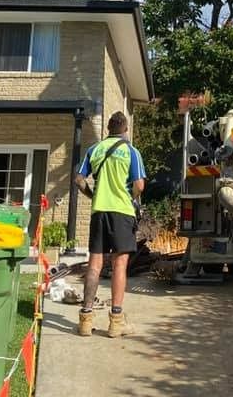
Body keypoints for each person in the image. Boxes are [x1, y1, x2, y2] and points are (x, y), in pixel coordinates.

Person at [74, 111, 146, 338]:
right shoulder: (131, 152)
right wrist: (131, 197)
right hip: (122, 213)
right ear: (125, 130)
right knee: (119, 266)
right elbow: (139, 185)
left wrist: (92, 195)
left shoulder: (94, 150)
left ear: (107, 129)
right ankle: (116, 323)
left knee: (94, 264)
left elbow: (78, 179)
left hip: (99, 212)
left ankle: (85, 320)